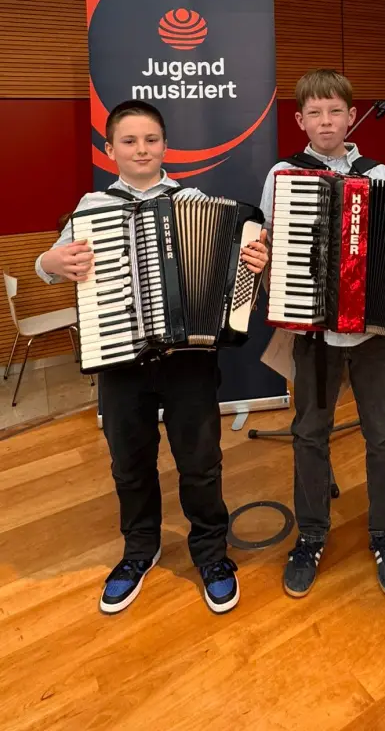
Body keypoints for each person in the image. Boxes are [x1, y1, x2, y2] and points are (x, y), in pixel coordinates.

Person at [36, 99, 269, 615]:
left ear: (165, 146)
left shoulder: (196, 199)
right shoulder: (90, 208)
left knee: (201, 462)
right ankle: (140, 548)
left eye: (151, 140)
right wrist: (50, 261)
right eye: (129, 141)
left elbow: (238, 267)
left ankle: (210, 551)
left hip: (189, 361)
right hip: (120, 360)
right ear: (109, 148)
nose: (141, 150)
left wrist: (256, 259)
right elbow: (48, 265)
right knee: (130, 463)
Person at [260, 69, 385, 599]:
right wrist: (270, 260)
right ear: (300, 121)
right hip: (315, 333)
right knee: (308, 433)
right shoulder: (284, 174)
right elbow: (271, 248)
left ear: (350, 115)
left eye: (335, 111)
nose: (326, 121)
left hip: (375, 334)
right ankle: (312, 533)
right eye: (314, 113)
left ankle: (384, 530)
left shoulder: (379, 171)